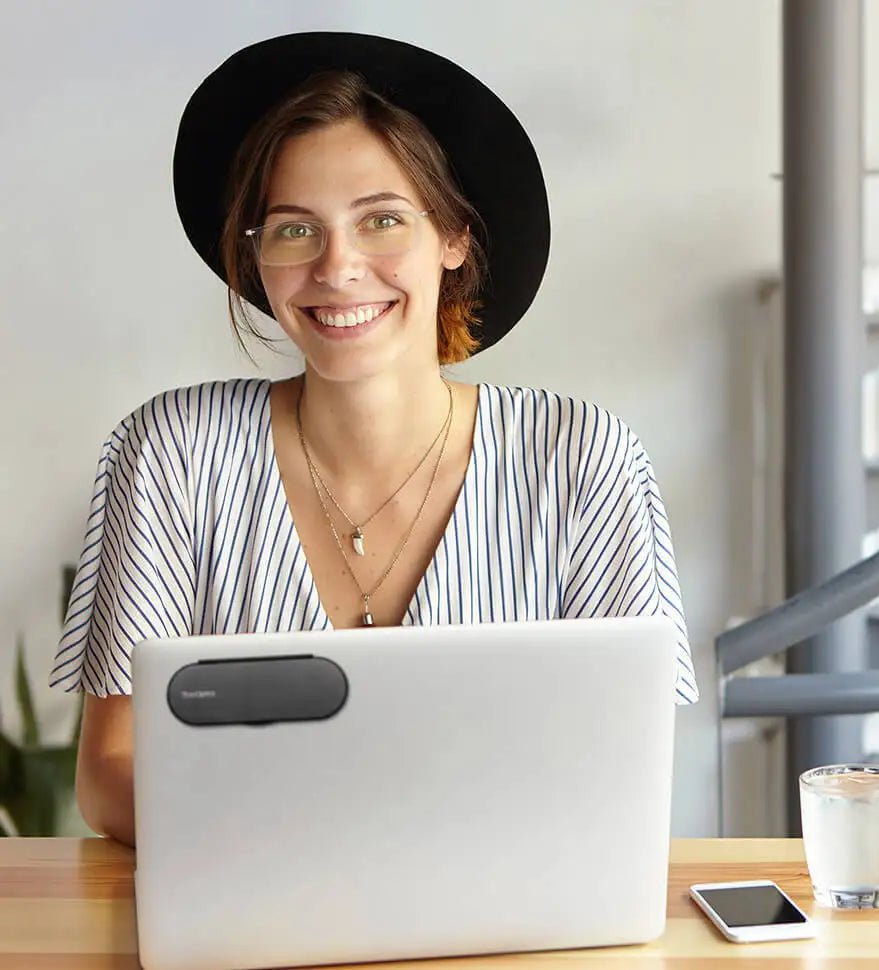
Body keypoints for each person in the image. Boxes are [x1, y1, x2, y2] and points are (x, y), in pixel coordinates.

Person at [48, 33, 698, 848]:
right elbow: (111, 772)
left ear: (454, 237)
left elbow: (626, 767)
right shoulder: (171, 454)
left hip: (503, 911)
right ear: (256, 259)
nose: (338, 267)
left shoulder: (584, 459)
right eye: (293, 230)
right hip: (253, 906)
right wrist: (331, 846)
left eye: (382, 220)